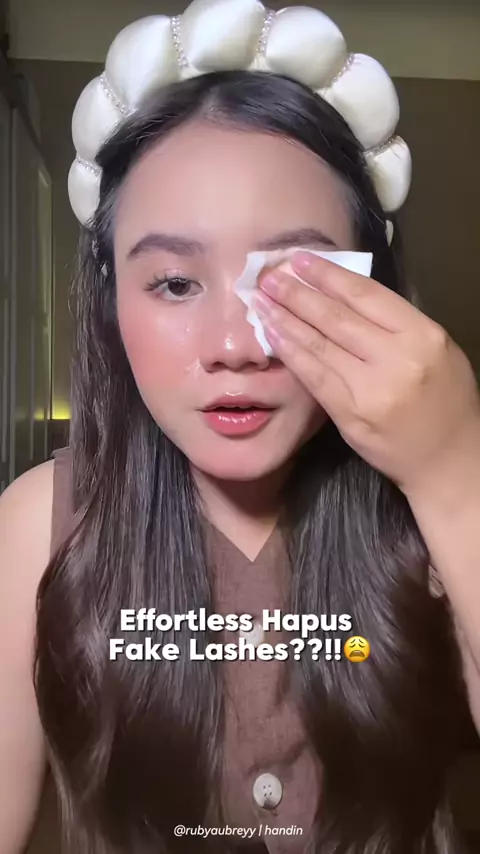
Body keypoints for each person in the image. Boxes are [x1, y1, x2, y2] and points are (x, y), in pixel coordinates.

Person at [1, 1, 480, 852]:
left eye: (290, 280)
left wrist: (454, 470)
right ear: (111, 300)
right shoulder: (39, 526)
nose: (235, 347)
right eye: (175, 284)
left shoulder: (435, 507)